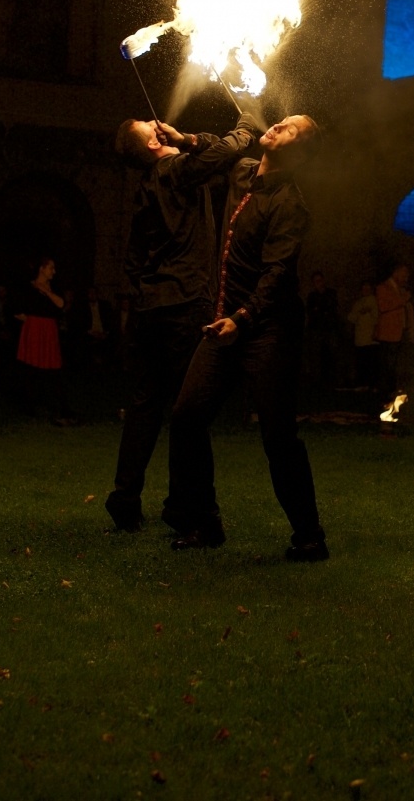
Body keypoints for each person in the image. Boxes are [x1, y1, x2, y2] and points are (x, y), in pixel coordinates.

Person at [167, 115, 329, 562]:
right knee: (186, 418)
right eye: (281, 120)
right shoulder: (242, 173)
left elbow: (277, 275)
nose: (278, 125)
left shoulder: (290, 205)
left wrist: (243, 317)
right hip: (225, 325)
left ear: (297, 151)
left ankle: (309, 536)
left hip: (267, 331)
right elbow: (218, 151)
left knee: (278, 435)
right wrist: (188, 138)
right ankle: (205, 522)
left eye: (290, 129)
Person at [104, 112, 265, 533]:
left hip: (148, 310)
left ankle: (124, 498)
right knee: (187, 409)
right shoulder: (173, 170)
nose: (158, 124)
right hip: (183, 307)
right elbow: (220, 154)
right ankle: (188, 508)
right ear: (154, 146)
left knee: (143, 407)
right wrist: (246, 129)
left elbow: (133, 261)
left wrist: (188, 136)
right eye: (151, 127)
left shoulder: (146, 187)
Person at [16, 258, 73, 423]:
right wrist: (26, 319)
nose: (53, 272)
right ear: (42, 268)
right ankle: (30, 405)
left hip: (48, 329)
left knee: (54, 367)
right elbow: (18, 307)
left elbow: (61, 304)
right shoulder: (28, 287)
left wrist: (46, 291)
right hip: (34, 327)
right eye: (51, 268)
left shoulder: (53, 287)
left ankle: (62, 406)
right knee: (32, 367)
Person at [375, 264, 414, 403]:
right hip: (388, 334)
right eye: (404, 274)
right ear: (396, 272)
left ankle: (394, 394)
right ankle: (385, 396)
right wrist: (402, 300)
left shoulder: (400, 289)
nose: (406, 278)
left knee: (395, 365)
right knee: (388, 366)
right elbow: (383, 306)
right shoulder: (382, 288)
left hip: (400, 333)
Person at [304, 271, 341, 390]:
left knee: (332, 354)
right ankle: (317, 381)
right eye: (316, 281)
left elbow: (331, 308)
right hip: (316, 330)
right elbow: (312, 312)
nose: (318, 283)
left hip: (330, 329)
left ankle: (332, 380)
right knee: (316, 356)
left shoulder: (331, 293)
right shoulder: (312, 296)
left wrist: (320, 310)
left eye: (320, 280)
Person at [347, 282, 380, 392]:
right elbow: (351, 317)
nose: (365, 290)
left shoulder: (375, 301)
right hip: (360, 338)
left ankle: (372, 384)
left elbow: (377, 318)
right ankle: (363, 383)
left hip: (370, 338)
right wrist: (359, 313)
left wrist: (376, 332)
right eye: (363, 288)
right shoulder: (358, 303)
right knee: (362, 362)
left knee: (371, 362)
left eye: (367, 288)